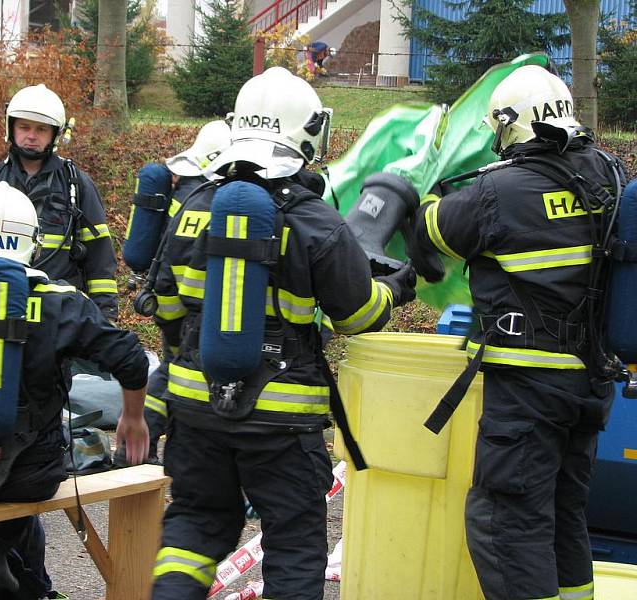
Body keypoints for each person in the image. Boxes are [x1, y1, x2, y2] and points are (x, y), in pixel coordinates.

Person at [149, 66, 417, 600]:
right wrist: (396, 287)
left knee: (195, 525)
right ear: (308, 132)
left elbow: (166, 305)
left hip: (197, 407)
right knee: (293, 542)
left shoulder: (192, 208)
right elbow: (359, 317)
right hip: (283, 421)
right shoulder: (316, 221)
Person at [414, 64, 626, 600]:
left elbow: (432, 227)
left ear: (509, 124)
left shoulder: (501, 191)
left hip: (529, 390)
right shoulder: (610, 175)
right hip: (592, 386)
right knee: (562, 514)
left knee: (505, 523)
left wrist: (414, 192)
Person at [0, 182, 149, 600]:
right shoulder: (61, 301)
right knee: (37, 463)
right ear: (33, 243)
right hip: (33, 475)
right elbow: (131, 357)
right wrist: (132, 416)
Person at [0, 83, 119, 323]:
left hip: (57, 317)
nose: (31, 136)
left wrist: (105, 319)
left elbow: (100, 260)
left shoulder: (76, 185)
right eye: (24, 127)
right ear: (11, 128)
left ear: (55, 133)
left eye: (41, 129)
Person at [117, 119, 232, 467]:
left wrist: (171, 325)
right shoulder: (215, 201)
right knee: (182, 373)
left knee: (172, 370)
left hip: (172, 308)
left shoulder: (185, 194)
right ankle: (141, 453)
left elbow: (164, 269)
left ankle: (131, 454)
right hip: (203, 314)